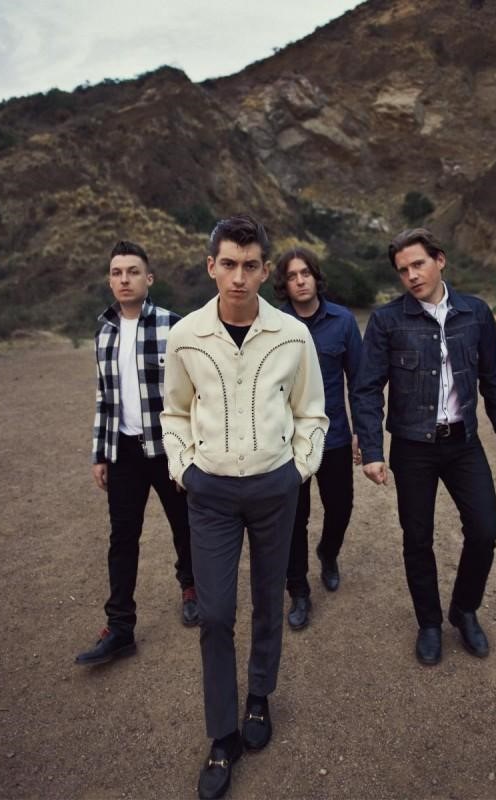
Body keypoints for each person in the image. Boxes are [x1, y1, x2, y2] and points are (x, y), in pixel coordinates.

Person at [160, 215, 328, 800]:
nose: (238, 276)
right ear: (211, 266)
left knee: (266, 600)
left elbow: (311, 410)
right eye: (228, 264)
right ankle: (222, 734)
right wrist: (185, 468)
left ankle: (259, 696)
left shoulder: (292, 335)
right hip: (209, 494)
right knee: (214, 613)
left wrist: (297, 468)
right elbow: (174, 412)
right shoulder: (185, 336)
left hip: (274, 487)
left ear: (264, 270)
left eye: (250, 265)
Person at [355, 228, 496, 667]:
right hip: (413, 447)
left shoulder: (476, 313)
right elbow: (367, 389)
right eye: (403, 270)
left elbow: (494, 382)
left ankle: (464, 610)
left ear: (440, 260)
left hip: (463, 442)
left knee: (484, 530)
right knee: (417, 538)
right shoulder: (387, 321)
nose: (411, 275)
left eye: (419, 264)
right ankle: (428, 623)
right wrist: (372, 450)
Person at [75, 241, 198, 667]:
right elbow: (104, 396)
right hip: (123, 451)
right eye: (116, 272)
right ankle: (120, 627)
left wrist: (188, 452)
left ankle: (192, 588)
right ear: (110, 280)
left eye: (132, 271)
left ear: (149, 278)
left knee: (184, 525)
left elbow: (194, 396)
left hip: (167, 448)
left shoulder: (174, 327)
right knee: (122, 537)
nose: (124, 279)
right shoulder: (104, 330)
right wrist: (100, 453)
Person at [273, 247, 362, 630]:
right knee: (294, 518)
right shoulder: (274, 324)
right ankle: (299, 591)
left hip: (334, 436)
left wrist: (362, 432)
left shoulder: (343, 321)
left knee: (340, 507)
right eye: (292, 276)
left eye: (305, 273)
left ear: (316, 276)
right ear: (285, 284)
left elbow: (360, 381)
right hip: (287, 441)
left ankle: (328, 552)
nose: (300, 281)